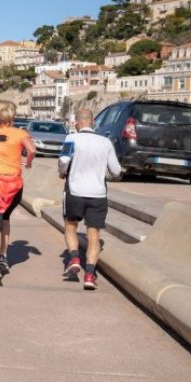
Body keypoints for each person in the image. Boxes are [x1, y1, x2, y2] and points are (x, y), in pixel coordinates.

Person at [58, 108, 122, 290]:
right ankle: (89, 275)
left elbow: (64, 160)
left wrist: (62, 174)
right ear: (93, 122)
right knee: (94, 235)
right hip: (98, 194)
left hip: (75, 191)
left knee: (70, 227)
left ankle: (75, 259)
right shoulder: (106, 142)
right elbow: (116, 170)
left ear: (77, 123)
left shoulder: (72, 138)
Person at [0, 101, 36, 286]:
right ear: (13, 115)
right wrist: (27, 163)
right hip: (14, 186)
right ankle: (4, 256)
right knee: (5, 219)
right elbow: (32, 150)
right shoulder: (20, 134)